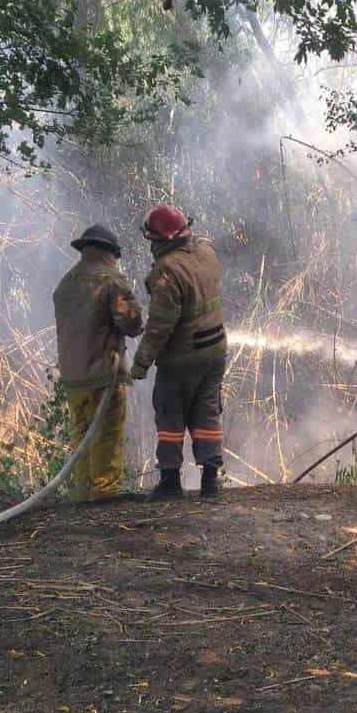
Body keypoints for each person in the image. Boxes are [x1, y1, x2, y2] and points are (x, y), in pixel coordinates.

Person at [130, 204, 227, 498]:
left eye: (153, 240)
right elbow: (203, 244)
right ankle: (211, 480)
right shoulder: (206, 252)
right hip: (215, 353)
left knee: (170, 416)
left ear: (162, 240)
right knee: (207, 413)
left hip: (181, 359)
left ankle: (171, 482)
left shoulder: (166, 272)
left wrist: (141, 362)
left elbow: (160, 325)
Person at [53, 224, 143, 501]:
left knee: (81, 434)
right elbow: (132, 323)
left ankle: (83, 491)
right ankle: (105, 491)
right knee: (106, 431)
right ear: (108, 253)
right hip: (103, 373)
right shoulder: (111, 281)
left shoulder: (66, 283)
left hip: (72, 377)